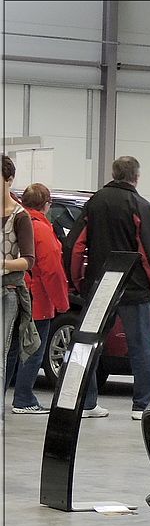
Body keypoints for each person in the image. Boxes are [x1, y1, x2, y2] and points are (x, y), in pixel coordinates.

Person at [71, 155, 150, 420]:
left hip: (100, 287)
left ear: (114, 174)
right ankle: (142, 404)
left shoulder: (94, 203)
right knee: (141, 348)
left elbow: (75, 247)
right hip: (134, 289)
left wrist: (81, 283)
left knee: (89, 345)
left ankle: (87, 403)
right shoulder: (141, 206)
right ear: (136, 176)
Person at [9, 184, 70, 414]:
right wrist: (62, 303)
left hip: (14, 294)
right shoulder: (41, 230)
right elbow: (52, 271)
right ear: (46, 205)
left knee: (11, 351)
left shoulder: (15, 222)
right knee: (33, 349)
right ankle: (24, 398)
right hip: (36, 301)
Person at [2, 155, 38, 400]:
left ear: (10, 180)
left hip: (8, 291)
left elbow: (28, 260)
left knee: (3, 354)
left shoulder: (20, 216)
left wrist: (3, 263)